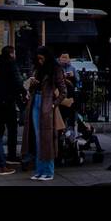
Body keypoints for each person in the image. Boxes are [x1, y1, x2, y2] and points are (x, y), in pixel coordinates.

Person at [22, 46, 68, 181]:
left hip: (46, 103)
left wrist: (54, 104)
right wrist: (33, 84)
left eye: (42, 58)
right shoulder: (37, 69)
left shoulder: (55, 68)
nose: (40, 61)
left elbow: (63, 90)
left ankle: (48, 171)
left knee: (46, 139)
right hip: (36, 101)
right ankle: (39, 170)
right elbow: (31, 88)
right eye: (38, 59)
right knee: (37, 138)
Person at [0, 46, 24, 165]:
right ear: (11, 54)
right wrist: (23, 91)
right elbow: (17, 81)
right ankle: (11, 155)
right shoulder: (11, 64)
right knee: (12, 129)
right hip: (9, 100)